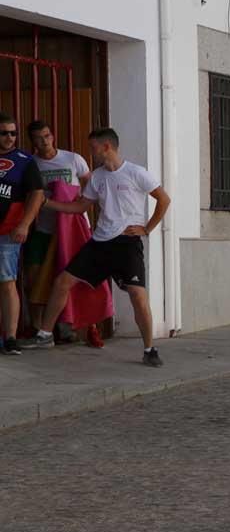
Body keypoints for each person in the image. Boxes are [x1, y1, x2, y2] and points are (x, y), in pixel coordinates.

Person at [25, 128, 171, 366]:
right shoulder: (97, 177)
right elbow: (81, 206)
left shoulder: (136, 173)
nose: (90, 152)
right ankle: (45, 335)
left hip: (127, 244)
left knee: (138, 295)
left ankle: (150, 349)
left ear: (106, 147)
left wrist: (147, 228)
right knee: (63, 282)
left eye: (93, 148)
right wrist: (48, 203)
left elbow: (163, 199)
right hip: (99, 242)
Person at [23, 120, 104, 347]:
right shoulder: (32, 164)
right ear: (33, 142)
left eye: (47, 136)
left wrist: (93, 220)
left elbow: (91, 189)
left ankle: (85, 327)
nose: (44, 141)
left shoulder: (73, 159)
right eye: (39, 138)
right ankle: (39, 330)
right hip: (45, 228)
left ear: (53, 136)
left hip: (74, 228)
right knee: (36, 277)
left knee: (81, 279)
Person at [0, 113, 44, 356]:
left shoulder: (24, 160)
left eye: (13, 133)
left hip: (7, 231)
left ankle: (10, 338)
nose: (9, 137)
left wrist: (25, 224)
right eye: (4, 133)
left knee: (7, 283)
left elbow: (37, 194)